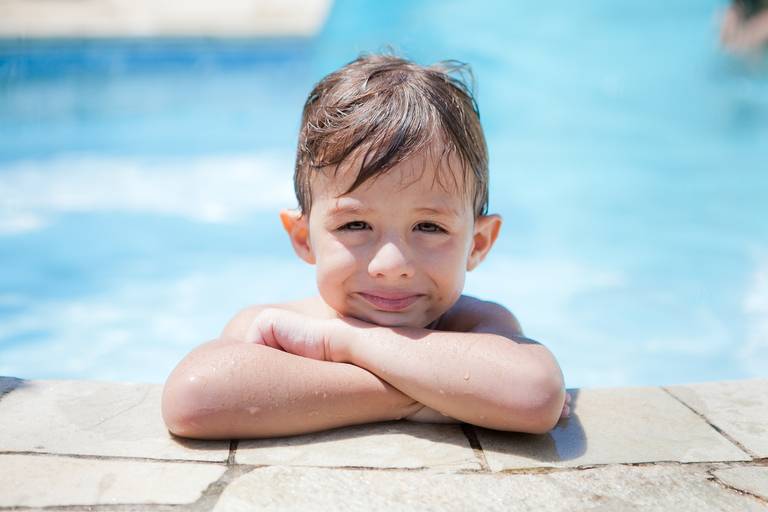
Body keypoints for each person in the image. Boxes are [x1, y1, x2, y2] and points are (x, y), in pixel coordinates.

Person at [161, 53, 570, 440]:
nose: (391, 264)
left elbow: (535, 395)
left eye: (429, 227)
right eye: (356, 224)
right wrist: (437, 396)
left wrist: (345, 342)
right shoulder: (273, 323)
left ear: (477, 244)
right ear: (304, 238)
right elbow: (193, 399)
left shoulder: (478, 324)